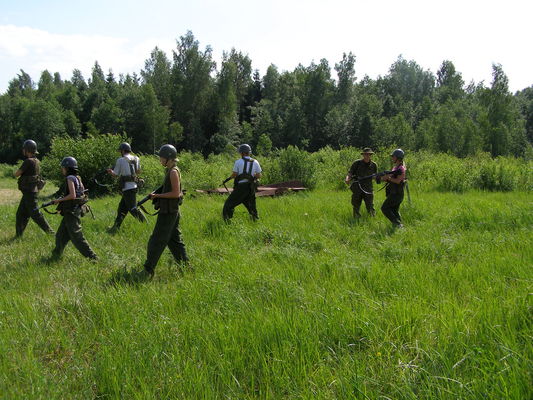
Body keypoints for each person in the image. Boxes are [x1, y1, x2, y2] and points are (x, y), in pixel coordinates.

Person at [140, 144, 188, 278]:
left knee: (156, 240)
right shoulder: (171, 170)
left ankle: (148, 269)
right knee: (174, 242)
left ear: (168, 158)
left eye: (161, 158)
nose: (160, 160)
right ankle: (186, 267)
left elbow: (176, 194)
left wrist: (157, 196)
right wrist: (156, 193)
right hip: (171, 211)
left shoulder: (173, 172)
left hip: (168, 213)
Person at [50, 157, 98, 260]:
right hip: (74, 209)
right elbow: (81, 193)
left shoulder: (69, 178)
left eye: (63, 167)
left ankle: (93, 257)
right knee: (60, 235)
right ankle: (56, 254)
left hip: (71, 211)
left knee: (77, 237)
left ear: (67, 168)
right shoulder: (77, 178)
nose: (61, 169)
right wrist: (62, 199)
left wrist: (59, 200)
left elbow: (72, 195)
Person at [13, 139, 54, 237]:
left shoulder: (28, 161)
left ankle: (51, 233)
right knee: (21, 214)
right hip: (31, 191)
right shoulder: (37, 161)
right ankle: (18, 235)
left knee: (35, 214)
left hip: (30, 192)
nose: (23, 150)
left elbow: (17, 174)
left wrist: (13, 173)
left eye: (24, 149)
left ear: (27, 150)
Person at [106, 142, 146, 233]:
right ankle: (115, 227)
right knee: (121, 209)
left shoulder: (120, 160)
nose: (120, 152)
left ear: (123, 151)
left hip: (128, 188)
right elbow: (138, 172)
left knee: (132, 209)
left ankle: (146, 224)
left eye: (121, 150)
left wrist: (110, 171)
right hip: (134, 186)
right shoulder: (136, 158)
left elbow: (116, 174)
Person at [222, 144, 262, 221]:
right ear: (249, 152)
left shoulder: (238, 162)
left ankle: (227, 220)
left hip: (241, 187)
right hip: (251, 188)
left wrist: (227, 179)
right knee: (251, 206)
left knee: (228, 204)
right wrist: (252, 176)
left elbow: (234, 174)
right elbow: (259, 175)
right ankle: (255, 220)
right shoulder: (255, 162)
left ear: (242, 153)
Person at [345, 148, 378, 218]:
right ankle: (356, 218)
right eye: (365, 154)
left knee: (370, 205)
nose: (367, 156)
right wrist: (347, 178)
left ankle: (373, 218)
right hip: (357, 187)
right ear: (363, 155)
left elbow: (375, 176)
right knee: (356, 204)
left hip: (368, 188)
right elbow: (350, 172)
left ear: (371, 155)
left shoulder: (374, 165)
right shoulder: (357, 163)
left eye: (369, 154)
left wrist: (382, 178)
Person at [380, 149, 407, 228]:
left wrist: (388, 178)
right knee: (394, 210)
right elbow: (390, 178)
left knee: (384, 208)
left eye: (393, 156)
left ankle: (397, 224)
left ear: (398, 157)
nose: (392, 158)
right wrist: (383, 178)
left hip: (397, 194)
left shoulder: (401, 168)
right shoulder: (396, 168)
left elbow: (398, 181)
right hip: (394, 192)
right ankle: (400, 226)